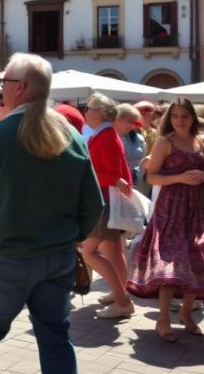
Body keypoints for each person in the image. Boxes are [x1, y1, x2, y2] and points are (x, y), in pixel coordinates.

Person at [0, 54, 104, 374]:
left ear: (21, 88)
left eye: (4, 83)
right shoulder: (71, 134)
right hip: (58, 256)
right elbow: (94, 204)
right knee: (54, 334)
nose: (1, 88)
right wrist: (71, 237)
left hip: (10, 256)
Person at [128, 98, 204, 342]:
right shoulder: (164, 142)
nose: (180, 121)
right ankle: (162, 319)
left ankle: (185, 313)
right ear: (170, 118)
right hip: (171, 209)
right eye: (176, 116)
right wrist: (180, 177)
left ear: (193, 118)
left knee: (198, 261)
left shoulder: (203, 141)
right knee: (171, 264)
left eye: (185, 116)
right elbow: (152, 178)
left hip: (198, 209)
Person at [80, 92, 135, 319]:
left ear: (100, 113)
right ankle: (120, 293)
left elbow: (112, 175)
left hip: (104, 202)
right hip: (107, 201)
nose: (85, 112)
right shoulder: (105, 134)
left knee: (89, 252)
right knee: (112, 251)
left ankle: (122, 301)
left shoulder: (105, 137)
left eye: (89, 108)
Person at [115, 104, 146, 190]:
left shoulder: (140, 139)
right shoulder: (108, 138)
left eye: (135, 122)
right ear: (117, 119)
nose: (133, 126)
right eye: (130, 122)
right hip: (117, 188)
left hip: (135, 185)